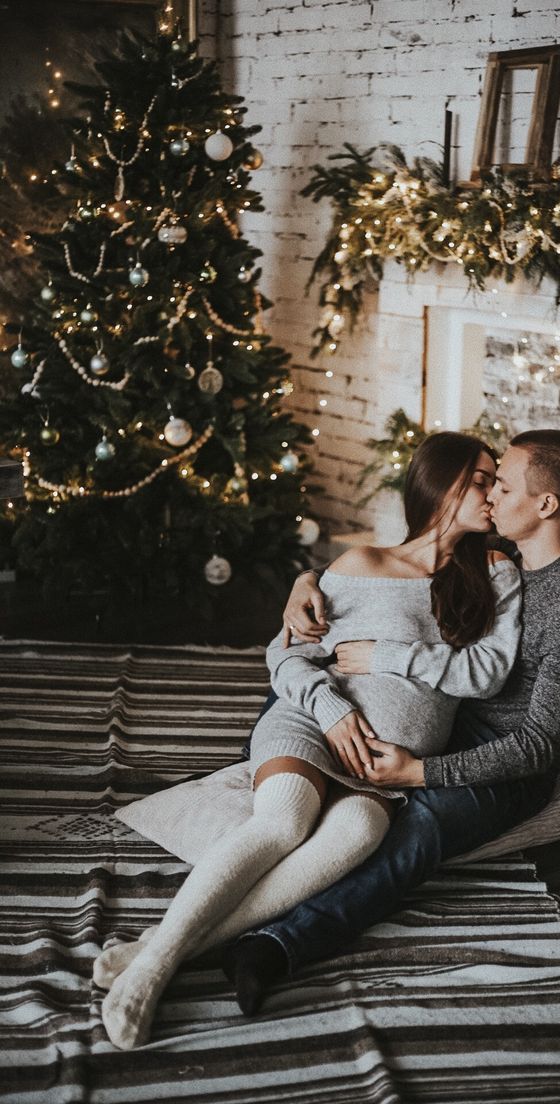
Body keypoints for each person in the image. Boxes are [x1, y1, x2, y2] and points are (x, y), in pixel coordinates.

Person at [97, 431, 524, 1049]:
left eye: (497, 481)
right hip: (313, 726)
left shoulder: (494, 573)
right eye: (483, 479)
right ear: (443, 484)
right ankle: (155, 971)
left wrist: (388, 654)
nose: (493, 494)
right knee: (284, 823)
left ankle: (154, 949)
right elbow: (287, 655)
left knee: (358, 835)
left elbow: (487, 675)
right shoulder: (361, 566)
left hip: (382, 763)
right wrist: (327, 709)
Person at [219, 428, 560, 1014]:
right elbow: (393, 570)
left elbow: (539, 747)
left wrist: (422, 773)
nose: (490, 498)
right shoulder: (507, 557)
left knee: (412, 832)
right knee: (322, 694)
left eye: (501, 486)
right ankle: (278, 760)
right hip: (450, 712)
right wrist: (306, 582)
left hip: (506, 758)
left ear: (545, 505)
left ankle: (275, 944)